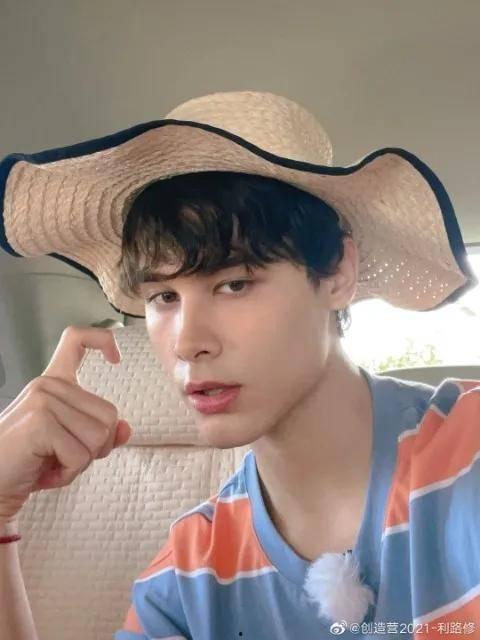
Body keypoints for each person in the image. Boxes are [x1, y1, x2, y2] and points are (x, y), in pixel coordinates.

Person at [0, 90, 478, 640]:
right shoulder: (188, 575)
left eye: (234, 284)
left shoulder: (469, 454)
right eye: (163, 297)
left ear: (336, 272)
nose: (187, 343)